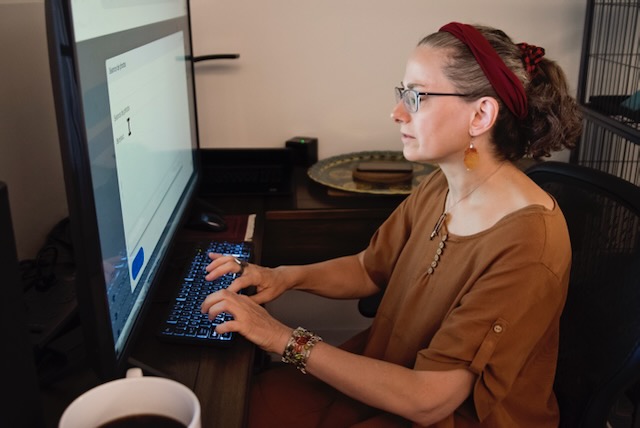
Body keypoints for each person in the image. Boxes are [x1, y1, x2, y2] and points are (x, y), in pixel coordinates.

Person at [201, 21, 582, 427]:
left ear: (481, 114)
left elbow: (430, 400)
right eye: (402, 93)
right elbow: (369, 268)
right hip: (386, 376)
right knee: (233, 408)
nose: (397, 112)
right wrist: (283, 277)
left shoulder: (527, 244)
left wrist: (281, 338)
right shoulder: (443, 183)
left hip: (444, 413)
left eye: (417, 96)